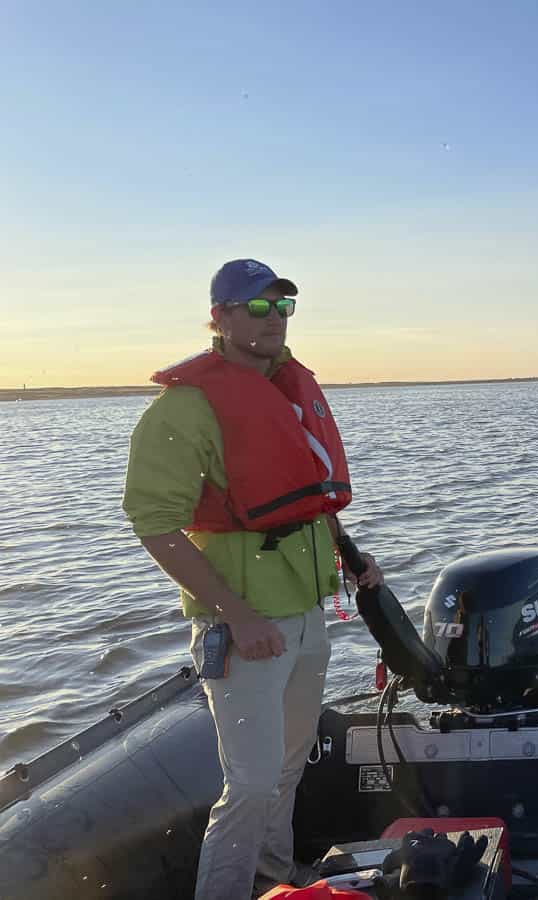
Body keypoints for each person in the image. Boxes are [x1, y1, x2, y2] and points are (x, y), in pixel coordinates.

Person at [122, 259, 383, 899]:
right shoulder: (184, 407)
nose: (275, 320)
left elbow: (308, 501)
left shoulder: (287, 391)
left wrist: (351, 555)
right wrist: (236, 616)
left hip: (306, 613)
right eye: (258, 307)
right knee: (251, 782)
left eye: (283, 306)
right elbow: (153, 525)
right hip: (241, 627)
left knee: (290, 765)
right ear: (221, 317)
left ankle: (274, 878)